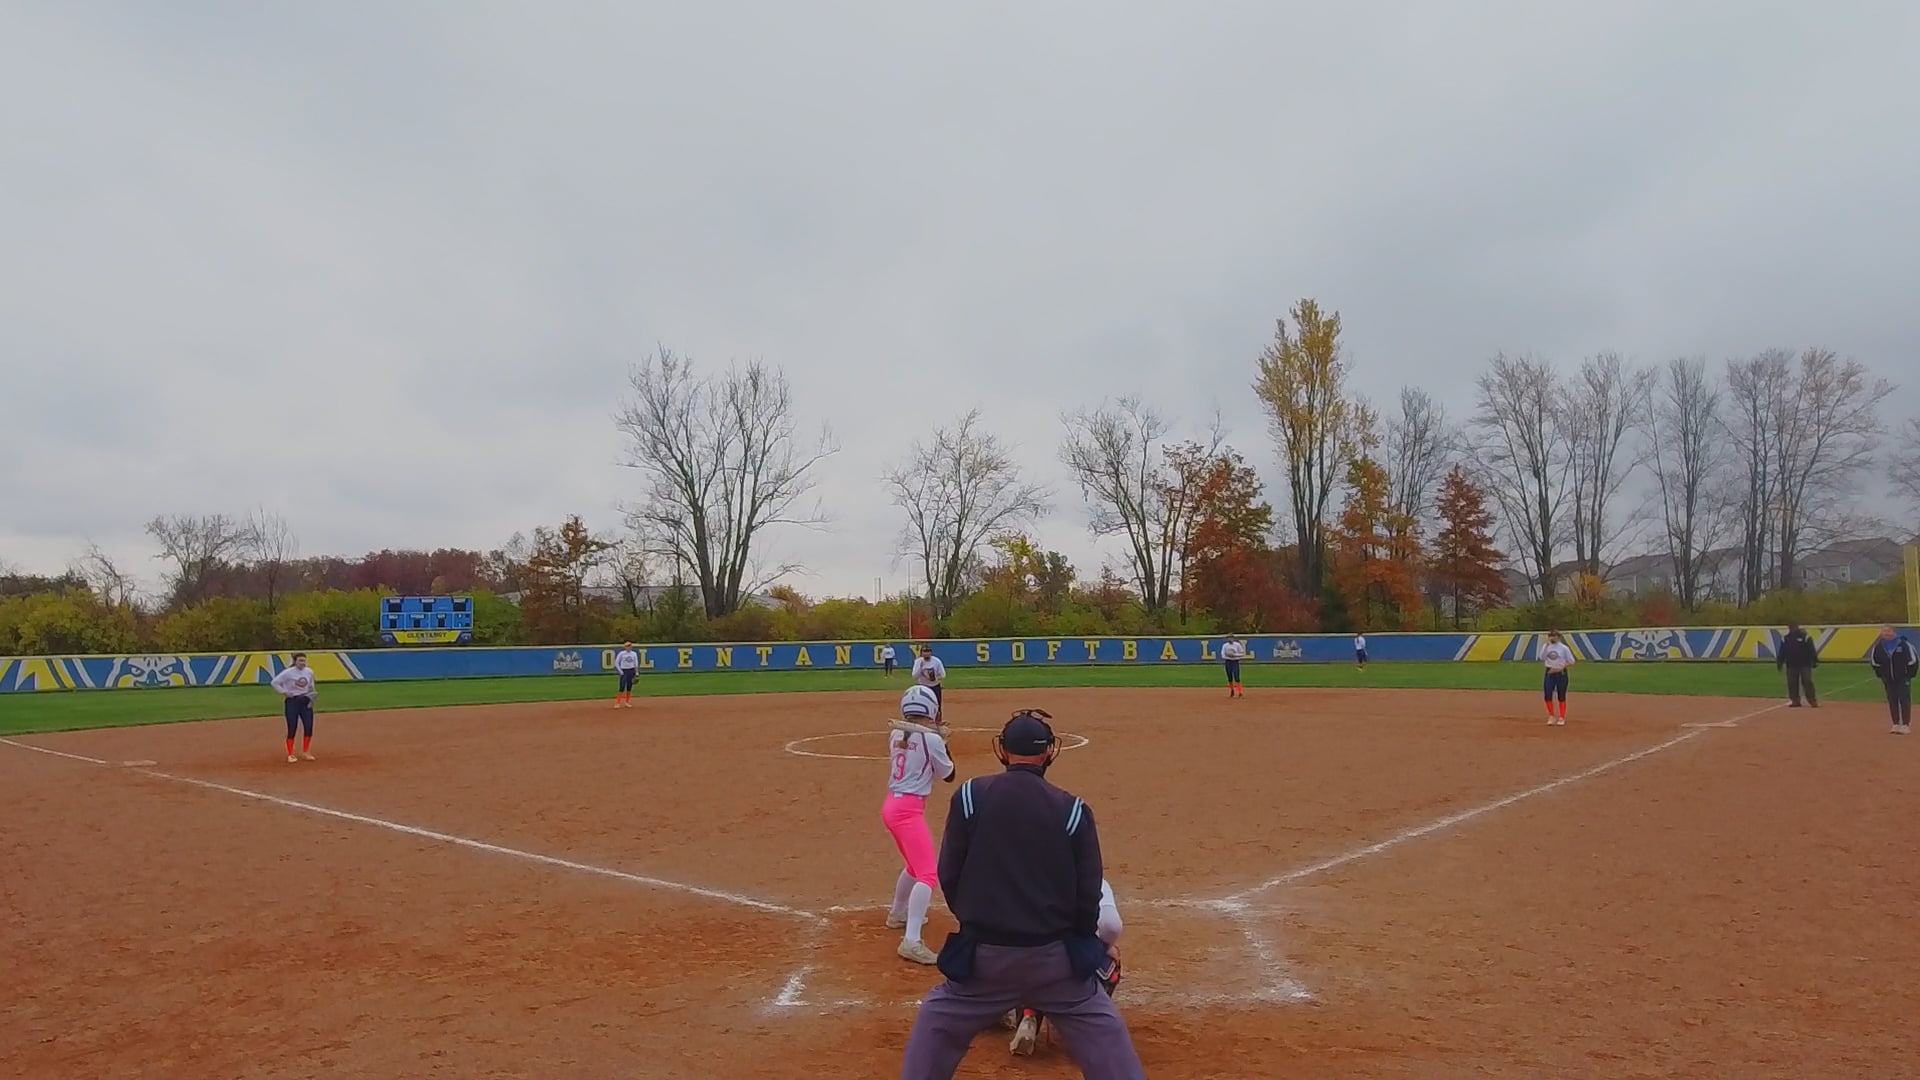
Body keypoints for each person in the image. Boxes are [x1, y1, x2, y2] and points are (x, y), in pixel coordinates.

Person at [898, 710, 1145, 1080]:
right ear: (1048, 753)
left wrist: (976, 925)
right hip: (1055, 964)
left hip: (984, 961)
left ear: (1002, 750)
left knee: (937, 1019)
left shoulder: (970, 796)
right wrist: (1082, 946)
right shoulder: (1073, 809)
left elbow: (949, 874)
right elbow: (1088, 892)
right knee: (1106, 1034)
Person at [1006, 878, 1126, 1057]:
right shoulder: (1096, 883)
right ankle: (1084, 1026)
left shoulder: (1029, 881)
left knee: (1024, 953)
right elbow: (1111, 926)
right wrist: (1105, 947)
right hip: (1075, 968)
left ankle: (1028, 1015)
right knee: (1108, 963)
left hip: (1029, 966)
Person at [884, 684, 956, 965]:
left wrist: (935, 737)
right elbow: (948, 774)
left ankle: (897, 913)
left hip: (892, 806)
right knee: (928, 874)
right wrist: (943, 742)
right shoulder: (931, 739)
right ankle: (911, 941)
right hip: (908, 811)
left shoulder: (896, 733)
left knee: (914, 867)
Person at [1867, 624, 1917, 734]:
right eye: (1884, 631)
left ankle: (1905, 725)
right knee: (1892, 700)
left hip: (1903, 678)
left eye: (1888, 631)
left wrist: (1909, 675)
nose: (1886, 633)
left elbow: (1913, 660)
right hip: (1888, 678)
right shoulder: (1878, 647)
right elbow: (1874, 662)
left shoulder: (1904, 644)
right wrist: (1881, 675)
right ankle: (1895, 724)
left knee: (1904, 699)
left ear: (1894, 632)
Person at [270, 653, 319, 763]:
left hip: (305, 700)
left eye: (304, 661)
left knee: (308, 726)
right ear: (295, 661)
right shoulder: (288, 672)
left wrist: (312, 696)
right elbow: (274, 682)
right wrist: (284, 692)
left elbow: (311, 686)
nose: (302, 663)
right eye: (300, 660)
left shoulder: (309, 672)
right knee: (292, 727)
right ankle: (291, 754)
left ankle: (306, 751)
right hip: (293, 701)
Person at [1776, 622, 1819, 708]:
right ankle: (1795, 700)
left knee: (1807, 681)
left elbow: (1811, 649)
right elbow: (1782, 651)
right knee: (1792, 683)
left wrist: (1814, 660)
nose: (1792, 629)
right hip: (1791, 664)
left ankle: (1812, 700)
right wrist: (1780, 662)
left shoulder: (1805, 637)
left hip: (1804, 663)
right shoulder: (1785, 638)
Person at [1540, 630, 1575, 726]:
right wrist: (1546, 646)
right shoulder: (1546, 646)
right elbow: (1542, 657)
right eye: (1550, 636)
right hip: (1549, 672)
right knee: (1547, 694)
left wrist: (1560, 668)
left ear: (1558, 637)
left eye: (1554, 636)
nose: (1552, 638)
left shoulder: (1564, 648)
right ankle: (1551, 716)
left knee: (1561, 695)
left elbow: (1571, 661)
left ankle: (1561, 717)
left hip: (1561, 672)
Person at [912, 644, 947, 720]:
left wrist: (935, 678)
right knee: (923, 705)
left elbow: (943, 674)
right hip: (923, 687)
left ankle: (938, 722)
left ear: (931, 652)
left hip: (935, 687)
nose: (926, 653)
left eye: (928, 651)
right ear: (921, 653)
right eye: (924, 651)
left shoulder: (936, 661)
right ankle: (923, 721)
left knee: (937, 705)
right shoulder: (918, 662)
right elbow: (914, 676)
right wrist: (920, 667)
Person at [613, 641, 641, 708]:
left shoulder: (634, 654)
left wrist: (636, 672)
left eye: (630, 646)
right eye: (627, 646)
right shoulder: (621, 653)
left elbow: (636, 663)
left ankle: (627, 702)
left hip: (631, 670)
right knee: (622, 687)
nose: (628, 647)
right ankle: (617, 703)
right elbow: (616, 663)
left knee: (629, 687)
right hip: (624, 670)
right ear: (625, 647)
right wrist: (620, 671)